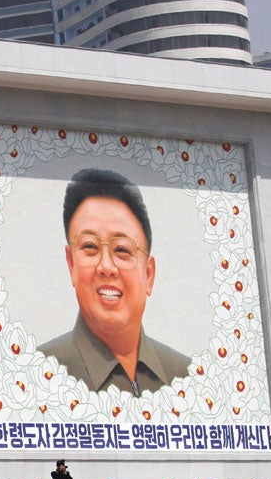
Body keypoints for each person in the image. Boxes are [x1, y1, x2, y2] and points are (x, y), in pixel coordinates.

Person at [38, 168, 190, 395]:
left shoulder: (186, 378)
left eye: (122, 250)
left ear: (149, 275)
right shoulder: (38, 374)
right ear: (71, 265)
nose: (106, 267)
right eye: (90, 247)